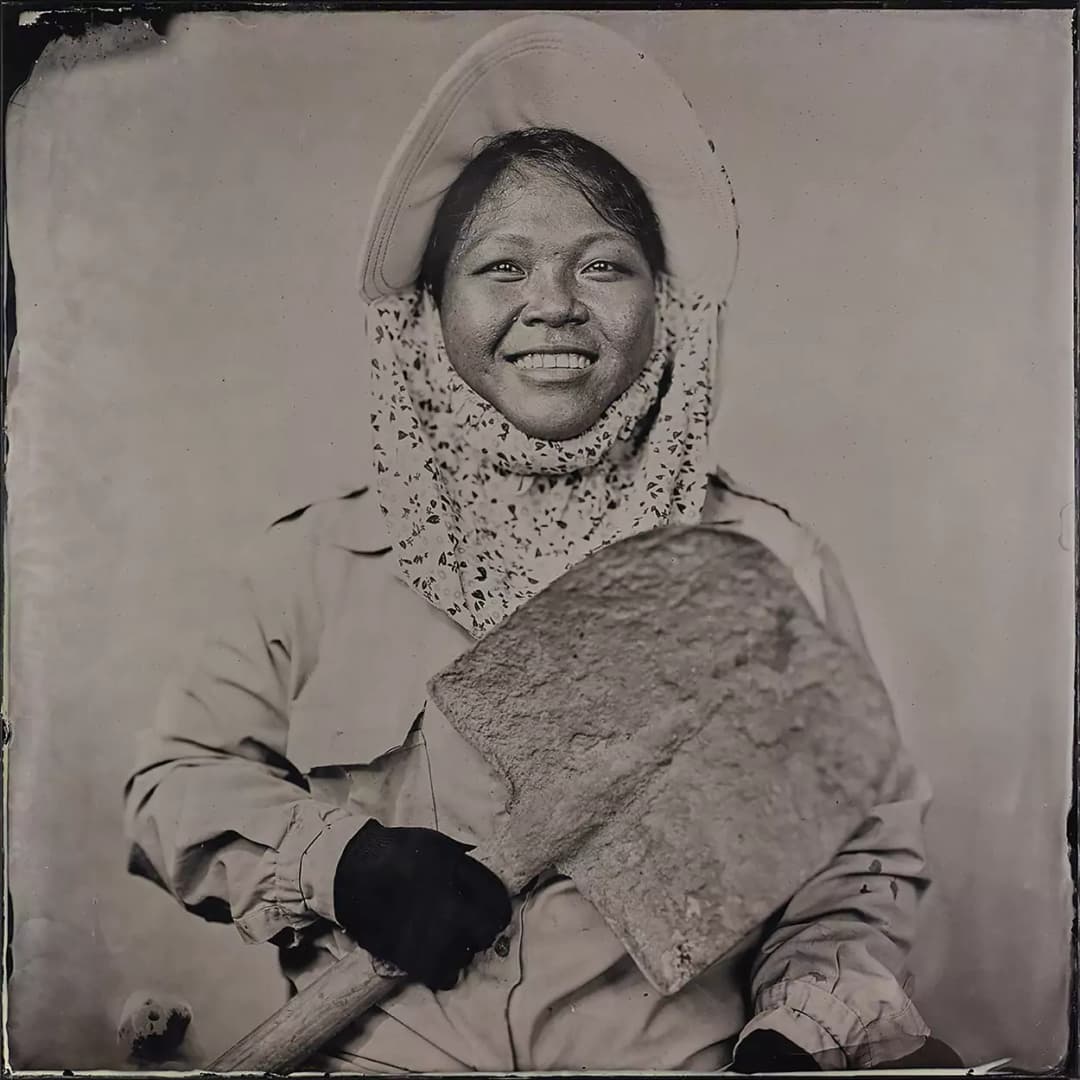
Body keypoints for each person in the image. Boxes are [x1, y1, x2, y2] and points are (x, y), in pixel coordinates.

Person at [124, 15, 960, 1072]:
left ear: (665, 307)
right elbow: (172, 784)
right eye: (501, 267)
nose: (553, 305)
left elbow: (859, 861)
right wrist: (342, 863)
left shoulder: (761, 566)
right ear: (430, 309)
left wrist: (798, 1036)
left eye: (603, 265)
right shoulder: (315, 564)